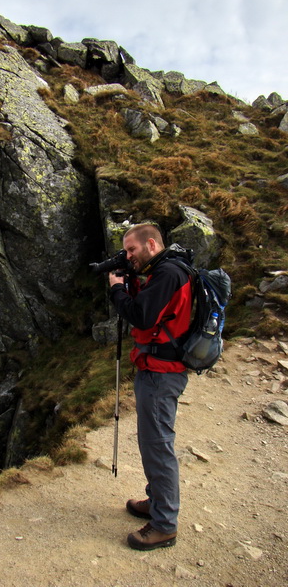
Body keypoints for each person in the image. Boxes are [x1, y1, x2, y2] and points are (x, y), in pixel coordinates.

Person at [108, 223, 192, 551]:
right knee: (151, 442)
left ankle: (164, 526)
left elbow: (142, 316)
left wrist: (117, 289)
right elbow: (152, 312)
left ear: (152, 244)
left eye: (132, 250)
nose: (128, 256)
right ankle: (157, 502)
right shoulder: (165, 270)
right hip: (157, 368)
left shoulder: (168, 274)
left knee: (158, 446)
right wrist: (128, 282)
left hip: (162, 372)